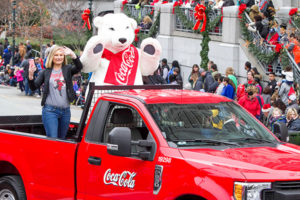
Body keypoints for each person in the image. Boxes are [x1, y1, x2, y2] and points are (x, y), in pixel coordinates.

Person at [28, 45, 82, 139]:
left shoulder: (67, 69)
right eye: (56, 55)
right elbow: (33, 87)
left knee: (62, 140)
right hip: (50, 111)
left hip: (65, 111)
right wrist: (30, 75)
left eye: (61, 55)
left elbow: (79, 66)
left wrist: (72, 54)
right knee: (53, 139)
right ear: (52, 57)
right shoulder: (45, 72)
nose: (59, 57)